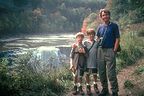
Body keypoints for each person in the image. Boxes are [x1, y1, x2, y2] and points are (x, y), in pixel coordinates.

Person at [96, 9, 120, 96]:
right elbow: (98, 38)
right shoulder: (99, 27)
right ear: (101, 17)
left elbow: (117, 39)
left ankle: (114, 91)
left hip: (110, 50)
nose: (105, 16)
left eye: (106, 15)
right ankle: (105, 89)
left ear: (109, 16)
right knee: (101, 72)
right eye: (103, 15)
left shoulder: (114, 26)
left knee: (111, 73)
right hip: (100, 51)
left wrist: (114, 50)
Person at [84, 29, 99, 95]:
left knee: (95, 74)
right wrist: (74, 45)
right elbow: (80, 47)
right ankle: (88, 87)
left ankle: (95, 86)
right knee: (87, 74)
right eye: (90, 34)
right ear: (88, 35)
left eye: (92, 34)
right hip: (87, 62)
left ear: (94, 35)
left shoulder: (96, 43)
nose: (91, 35)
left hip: (94, 61)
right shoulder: (85, 43)